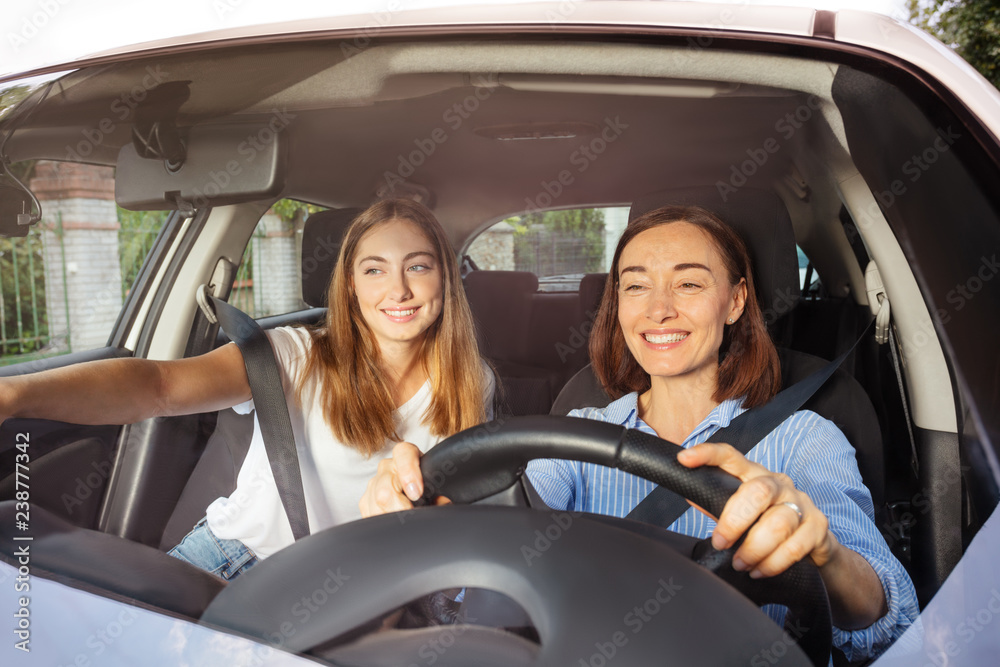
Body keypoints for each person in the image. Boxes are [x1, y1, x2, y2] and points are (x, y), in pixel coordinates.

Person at [360, 205, 919, 662]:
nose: (658, 310)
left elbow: (888, 617)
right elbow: (494, 571)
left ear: (736, 301)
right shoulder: (574, 437)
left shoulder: (804, 439)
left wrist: (822, 553)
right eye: (635, 287)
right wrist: (424, 519)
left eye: (689, 284)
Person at [0, 198, 491, 580]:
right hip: (232, 565)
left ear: (445, 279)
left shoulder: (472, 380)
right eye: (375, 269)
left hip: (360, 584)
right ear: (350, 287)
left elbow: (453, 505)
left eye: (419, 266)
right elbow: (159, 386)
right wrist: (13, 395)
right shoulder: (295, 354)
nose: (398, 290)